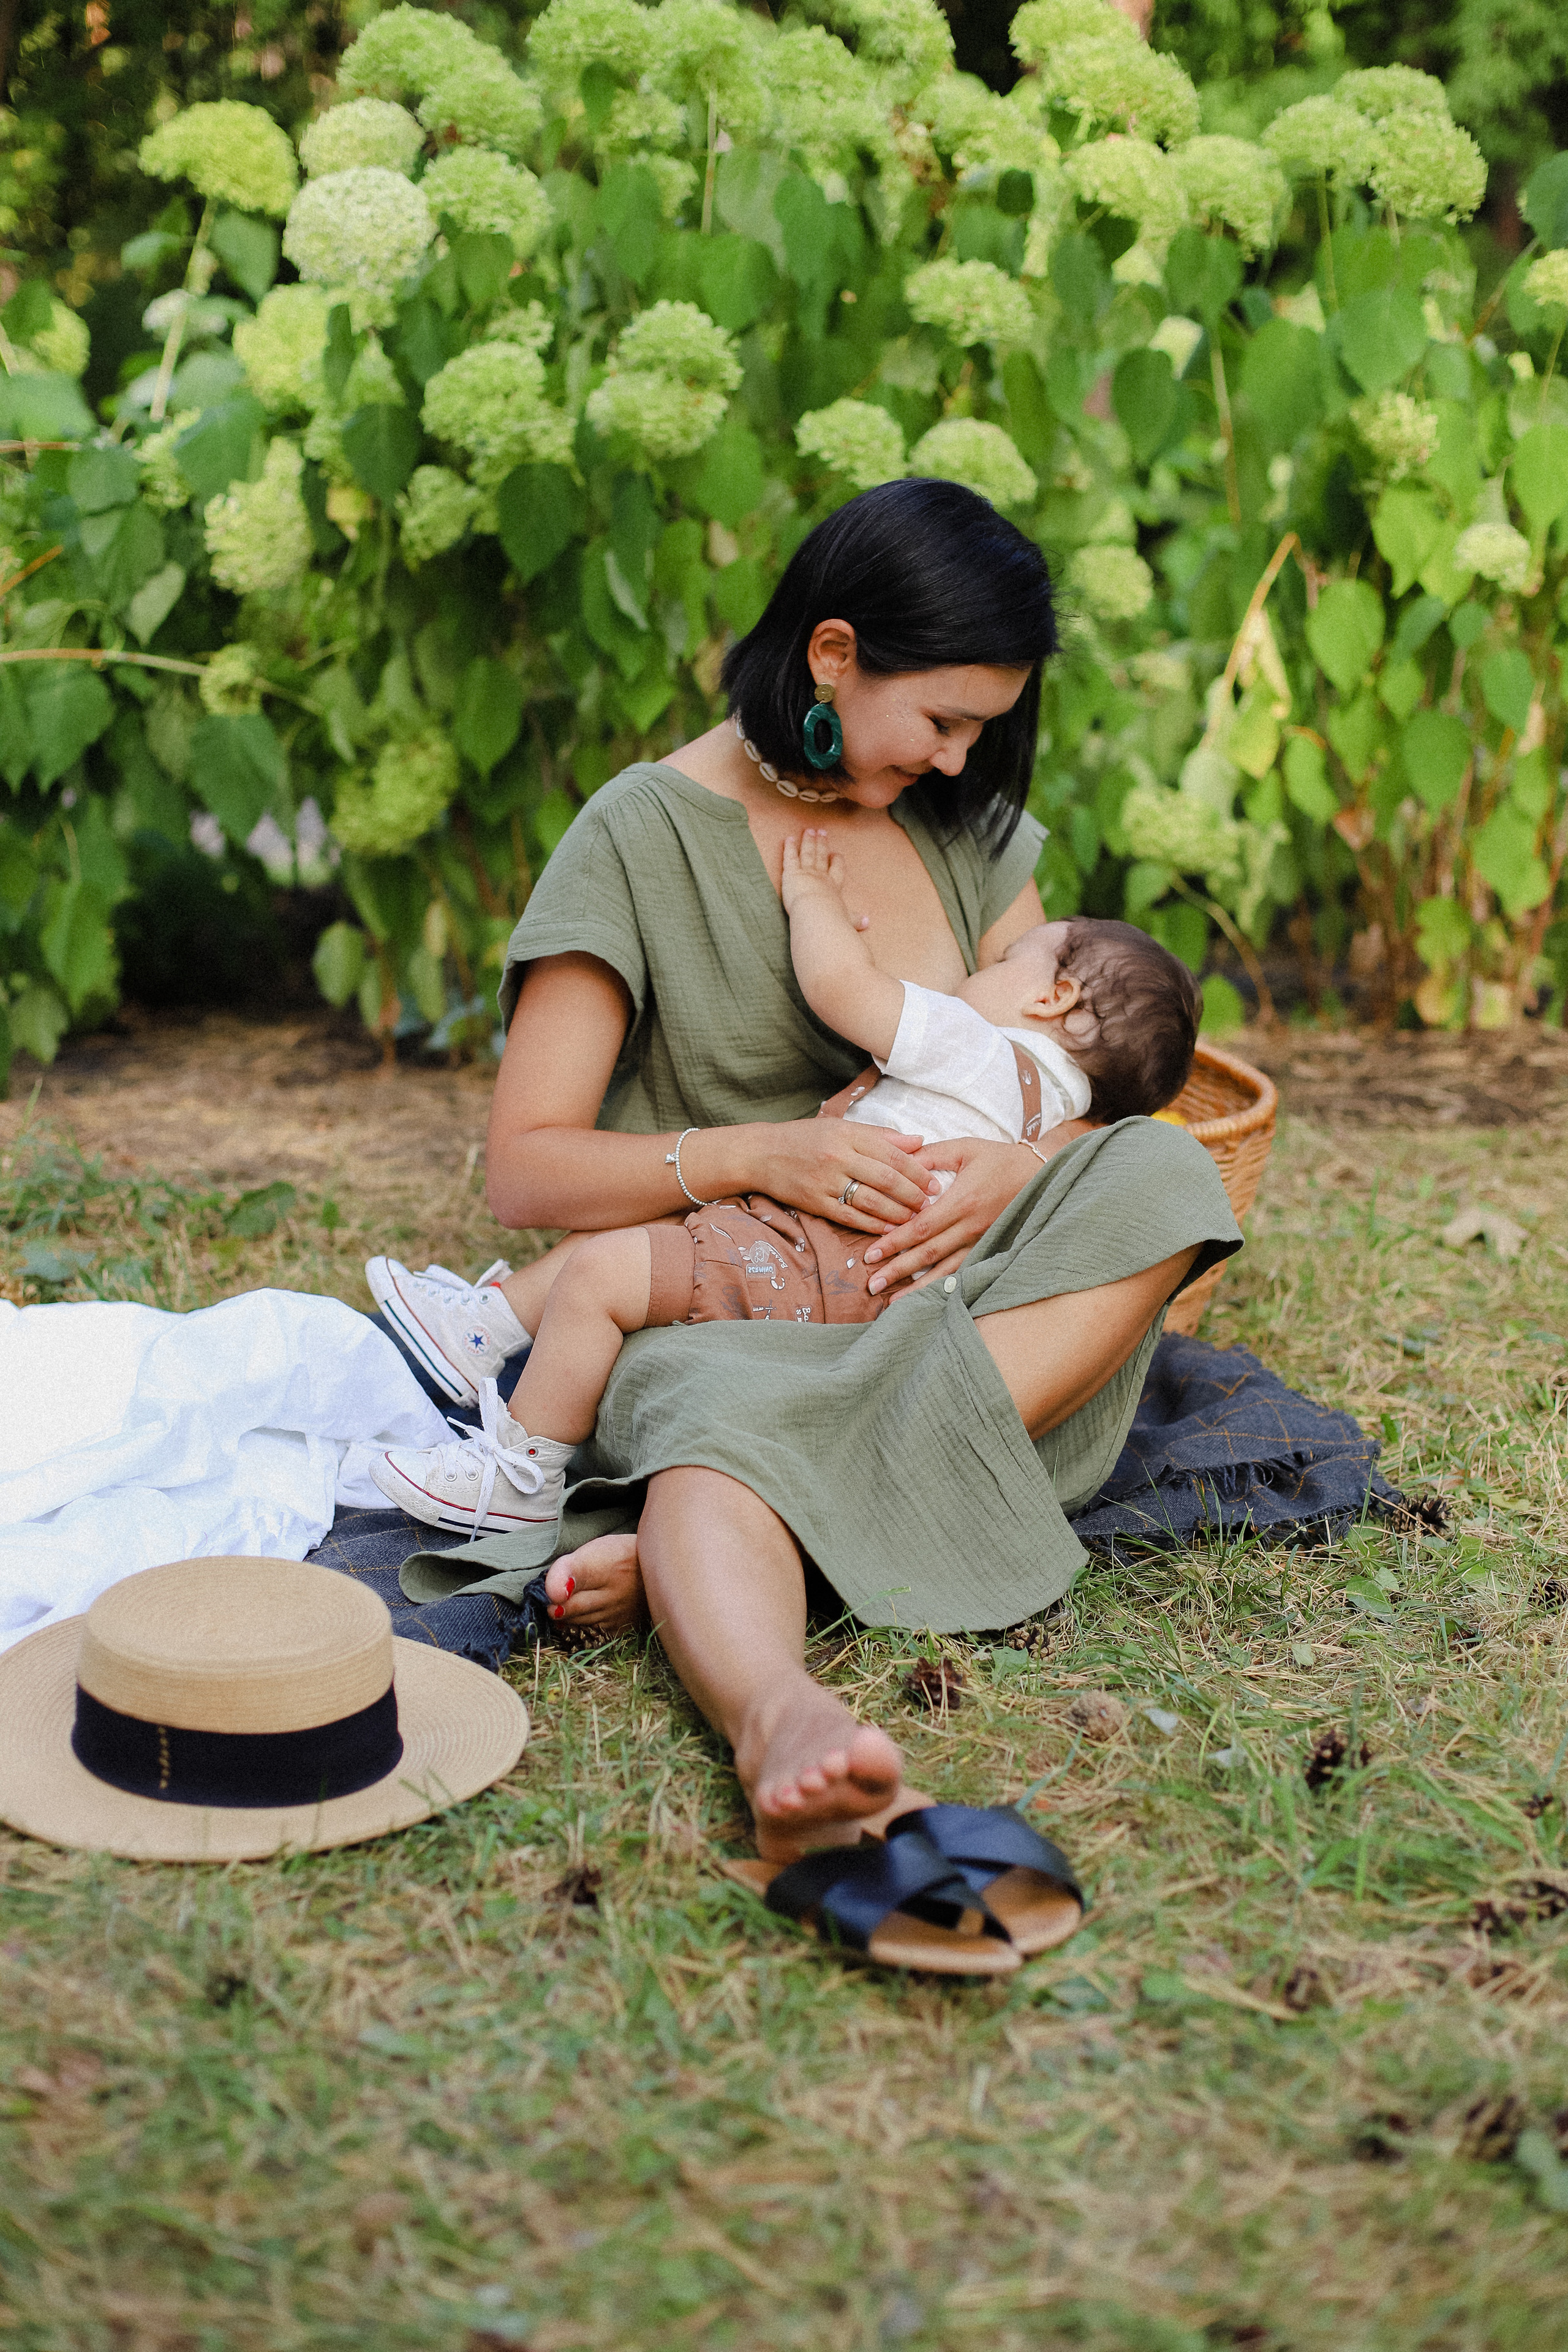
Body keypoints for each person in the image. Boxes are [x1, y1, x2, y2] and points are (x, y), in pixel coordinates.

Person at [368, 480, 1241, 1868]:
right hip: (725, 1306)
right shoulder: (639, 839)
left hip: (941, 1299)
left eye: (983, 727)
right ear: (831, 656)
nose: (961, 762)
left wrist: (1017, 1170)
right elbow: (525, 1174)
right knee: (715, 1425)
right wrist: (761, 1152)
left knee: (1161, 1174)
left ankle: (730, 1534)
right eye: (943, 719)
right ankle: (781, 1714)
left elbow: (1065, 1076)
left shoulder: (960, 826)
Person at [369, 833, 1203, 1537]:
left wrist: (814, 902)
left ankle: (518, 1475)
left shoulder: (977, 1045)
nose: (978, 976)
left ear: (1052, 996)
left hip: (812, 1254)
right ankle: (478, 1332)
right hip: (867, 1287)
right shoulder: (1058, 1118)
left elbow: (845, 990)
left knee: (602, 1276)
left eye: (1011, 959)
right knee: (648, 1237)